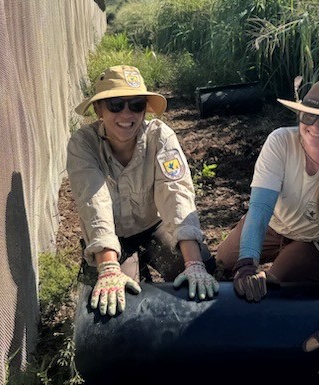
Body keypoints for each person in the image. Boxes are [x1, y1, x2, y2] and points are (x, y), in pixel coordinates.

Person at [216, 76, 319, 383]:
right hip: (274, 225)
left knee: (275, 287)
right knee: (224, 261)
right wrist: (248, 262)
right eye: (308, 116)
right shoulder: (280, 142)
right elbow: (259, 209)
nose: (314, 127)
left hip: (314, 243)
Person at [67, 65, 217, 316]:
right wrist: (108, 268)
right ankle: (122, 269)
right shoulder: (83, 144)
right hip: (111, 236)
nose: (127, 114)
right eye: (115, 104)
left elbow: (176, 192)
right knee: (115, 302)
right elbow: (94, 201)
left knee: (200, 269)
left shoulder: (160, 136)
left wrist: (193, 265)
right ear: (98, 109)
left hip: (152, 226)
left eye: (136, 104)